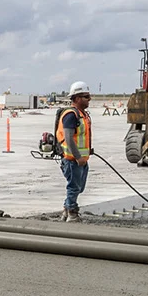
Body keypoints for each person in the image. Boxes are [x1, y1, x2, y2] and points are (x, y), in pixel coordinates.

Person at [55, 84, 94, 221]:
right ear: (77, 98)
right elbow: (69, 137)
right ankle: (72, 212)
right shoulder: (71, 115)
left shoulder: (82, 114)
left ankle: (66, 209)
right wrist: (78, 157)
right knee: (74, 187)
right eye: (86, 97)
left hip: (81, 159)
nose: (89, 99)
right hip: (73, 160)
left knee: (78, 187)